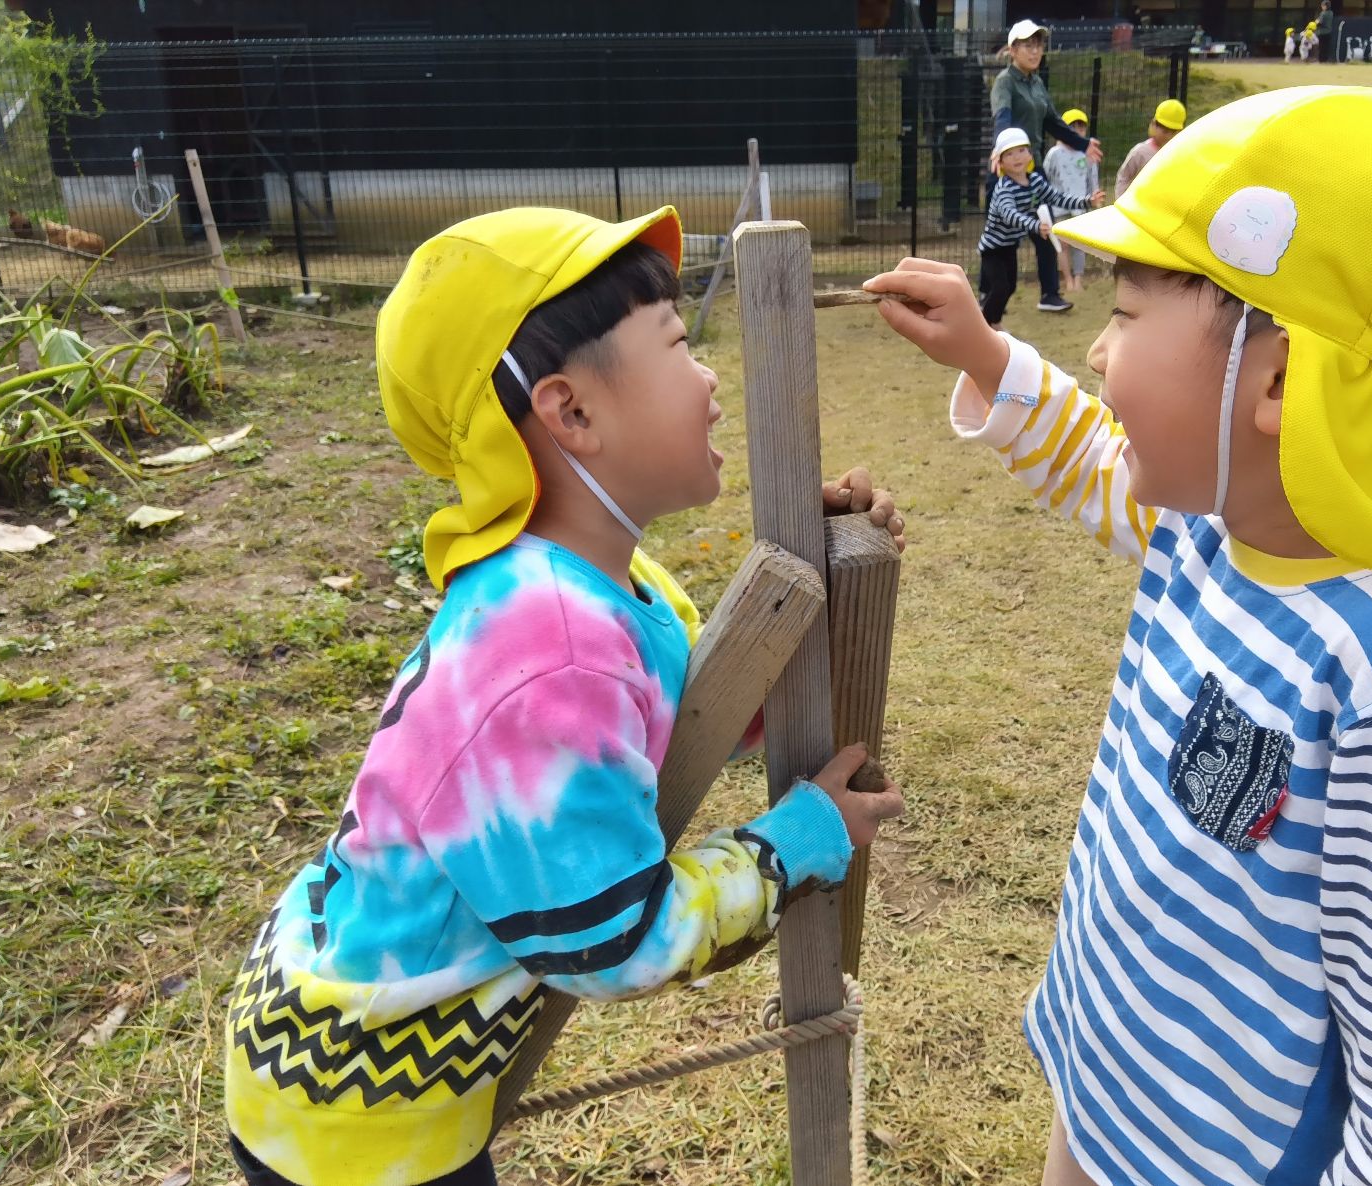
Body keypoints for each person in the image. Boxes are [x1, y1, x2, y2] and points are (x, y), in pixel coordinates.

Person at [864, 85, 1372, 1186]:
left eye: (1124, 320)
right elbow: (1094, 457)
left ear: (1272, 374)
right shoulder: (1213, 526)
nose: (1098, 356)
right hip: (1107, 1086)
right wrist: (987, 355)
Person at [222, 206, 908, 1186]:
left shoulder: (594, 585)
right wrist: (796, 843)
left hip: (360, 1065)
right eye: (678, 343)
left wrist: (821, 575)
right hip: (355, 1122)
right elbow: (615, 939)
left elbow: (686, 724)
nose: (710, 380)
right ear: (570, 410)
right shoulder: (545, 647)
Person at [990, 19, 1104, 313]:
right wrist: (1000, 149)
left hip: (1034, 169)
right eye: (1028, 45)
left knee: (1045, 231)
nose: (1035, 51)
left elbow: (1053, 122)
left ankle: (1049, 295)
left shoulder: (1037, 82)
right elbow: (1001, 117)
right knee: (1002, 236)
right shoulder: (1005, 82)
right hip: (1009, 171)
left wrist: (1083, 143)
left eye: (1039, 45)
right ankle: (988, 296)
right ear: (1013, 49)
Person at [979, 129, 1102, 327]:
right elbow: (1011, 215)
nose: (1017, 157)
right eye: (1009, 154)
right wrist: (1036, 226)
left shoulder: (1035, 180)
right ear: (1000, 162)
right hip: (992, 249)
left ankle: (993, 322)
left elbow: (1057, 197)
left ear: (1030, 155)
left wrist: (1087, 200)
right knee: (1000, 287)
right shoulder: (1003, 188)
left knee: (1010, 287)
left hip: (1010, 246)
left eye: (1021, 151)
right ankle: (985, 325)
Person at [1043, 109, 1102, 291]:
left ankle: (1078, 278)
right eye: (1072, 127)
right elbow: (1045, 177)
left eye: (1081, 127)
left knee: (1079, 245)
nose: (1077, 130)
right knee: (1062, 245)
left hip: (1080, 207)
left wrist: (1095, 199)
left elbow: (1093, 179)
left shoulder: (1087, 154)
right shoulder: (1054, 154)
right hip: (1059, 207)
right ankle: (1067, 279)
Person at [1115, 98, 1185, 199]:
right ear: (1154, 124)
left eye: (1173, 132)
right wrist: (1120, 201)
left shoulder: (1179, 154)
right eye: (1164, 130)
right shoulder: (1140, 152)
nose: (1168, 135)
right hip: (1139, 206)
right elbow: (1123, 177)